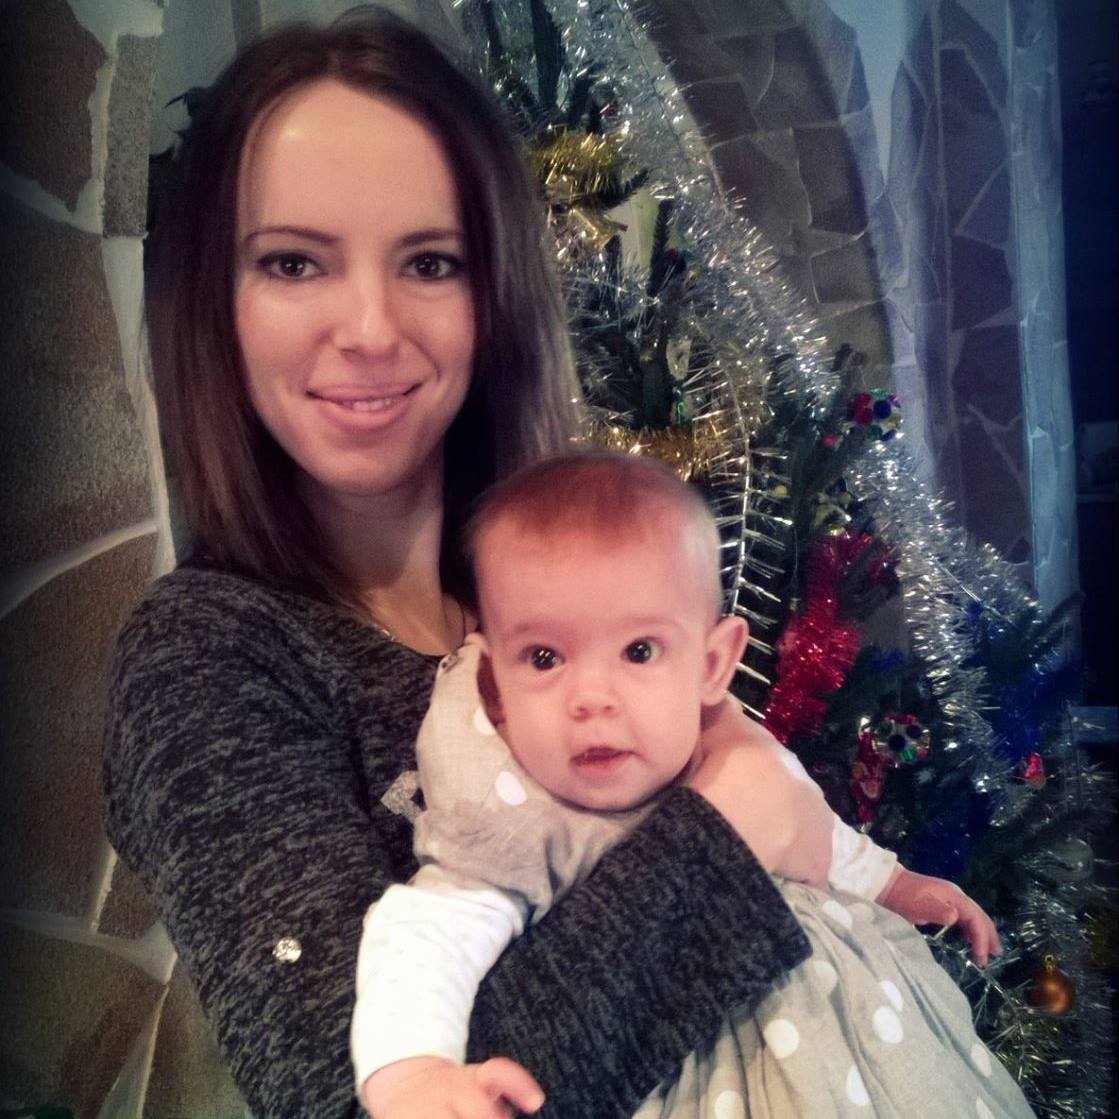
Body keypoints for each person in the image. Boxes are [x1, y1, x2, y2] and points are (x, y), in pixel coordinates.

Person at [102, 12, 817, 1119]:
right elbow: (352, 1101)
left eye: (430, 262)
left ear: (493, 300)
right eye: (293, 262)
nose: (370, 327)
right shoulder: (205, 658)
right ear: (215, 301)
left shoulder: (561, 590)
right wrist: (721, 846)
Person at [352, 453, 1036, 1119]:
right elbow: (426, 932)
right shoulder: (517, 819)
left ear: (712, 664)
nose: (591, 697)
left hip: (860, 1041)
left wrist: (893, 883)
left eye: (638, 650)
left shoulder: (717, 738)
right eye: (544, 657)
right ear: (495, 681)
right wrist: (412, 1072)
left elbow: (810, 825)